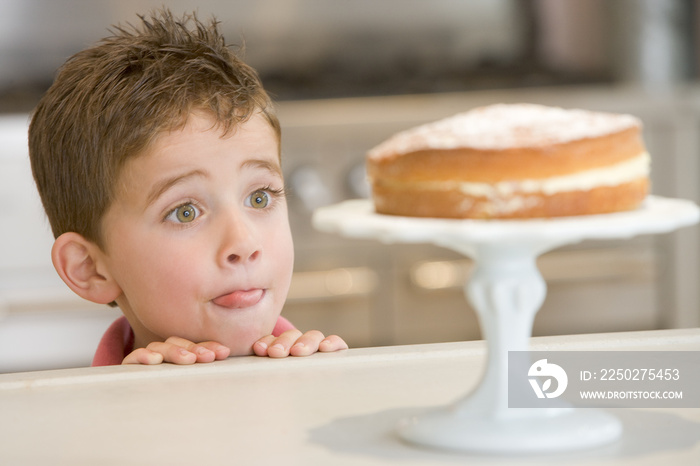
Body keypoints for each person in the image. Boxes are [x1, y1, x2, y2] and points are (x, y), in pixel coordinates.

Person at [28, 9, 348, 366]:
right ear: (91, 268)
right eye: (185, 212)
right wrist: (126, 411)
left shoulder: (311, 367)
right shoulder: (103, 415)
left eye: (259, 198)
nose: (243, 244)